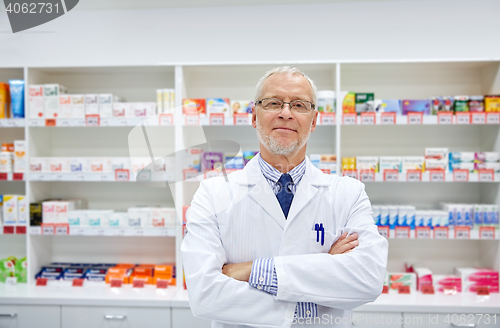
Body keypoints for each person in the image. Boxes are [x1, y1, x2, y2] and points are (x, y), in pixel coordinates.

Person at [181, 66, 388, 328]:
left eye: (299, 105)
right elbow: (204, 296)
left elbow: (367, 280)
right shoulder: (212, 194)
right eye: (273, 103)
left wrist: (251, 270)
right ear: (254, 116)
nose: (286, 113)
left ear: (313, 121)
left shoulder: (349, 194)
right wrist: (322, 277)